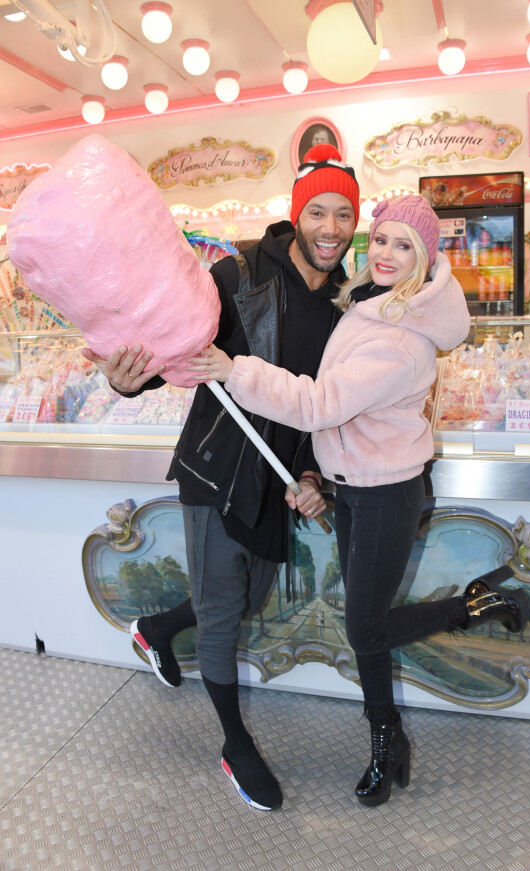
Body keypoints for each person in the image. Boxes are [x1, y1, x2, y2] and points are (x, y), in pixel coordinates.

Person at [187, 194, 530, 808]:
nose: (387, 254)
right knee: (366, 629)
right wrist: (318, 473)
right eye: (382, 240)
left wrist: (234, 368)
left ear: (425, 258)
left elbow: (321, 403)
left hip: (383, 494)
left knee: (364, 628)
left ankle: (462, 620)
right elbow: (337, 413)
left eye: (405, 246)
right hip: (355, 486)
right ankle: (389, 736)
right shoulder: (372, 302)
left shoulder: (400, 336)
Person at [81, 143, 360, 812]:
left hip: (278, 481)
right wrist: (126, 380)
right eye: (317, 211)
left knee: (244, 595)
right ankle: (235, 743)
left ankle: (154, 626)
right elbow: (172, 346)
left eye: (343, 214)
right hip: (216, 467)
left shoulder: (350, 309)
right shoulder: (236, 275)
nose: (330, 227)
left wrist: (315, 472)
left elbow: (324, 407)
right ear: (297, 215)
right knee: (220, 620)